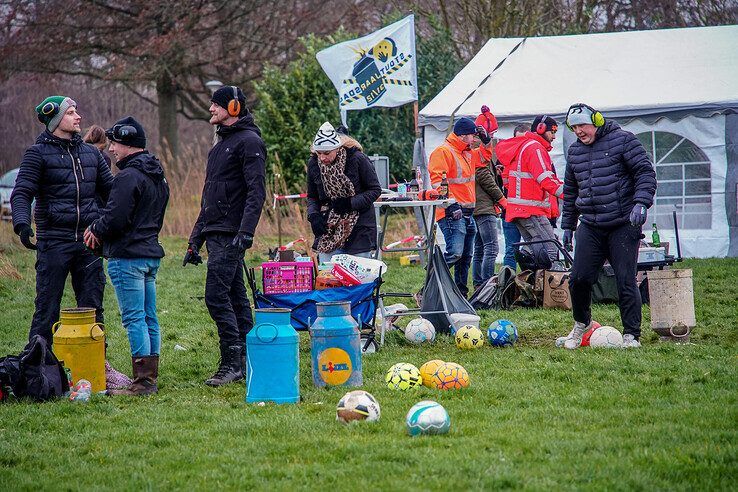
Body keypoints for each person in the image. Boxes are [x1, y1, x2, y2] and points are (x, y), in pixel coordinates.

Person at [10, 96, 123, 368]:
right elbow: (22, 193)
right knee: (47, 308)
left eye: (76, 111)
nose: (78, 117)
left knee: (93, 306)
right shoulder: (37, 154)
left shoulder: (92, 154)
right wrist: (22, 223)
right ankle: (37, 368)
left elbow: (113, 195)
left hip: (89, 243)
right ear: (56, 120)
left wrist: (114, 224)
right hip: (53, 242)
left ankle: (97, 365)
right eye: (71, 113)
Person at [184, 86, 266, 386]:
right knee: (234, 296)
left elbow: (257, 192)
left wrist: (246, 231)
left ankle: (232, 362)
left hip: (232, 233)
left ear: (233, 108)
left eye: (216, 105)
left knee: (216, 296)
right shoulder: (219, 145)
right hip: (216, 232)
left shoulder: (250, 142)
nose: (211, 110)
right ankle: (247, 359)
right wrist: (195, 240)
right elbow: (210, 196)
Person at [557, 103, 656, 349]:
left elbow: (645, 173)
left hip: (623, 223)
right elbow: (570, 192)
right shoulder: (575, 152)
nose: (579, 131)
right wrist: (568, 225)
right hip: (590, 224)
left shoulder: (624, 141)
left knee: (625, 280)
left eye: (582, 125)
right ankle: (583, 325)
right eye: (574, 127)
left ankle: (631, 335)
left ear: (597, 121)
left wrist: (641, 203)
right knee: (578, 279)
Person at [428, 117, 492, 297]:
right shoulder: (443, 152)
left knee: (465, 257)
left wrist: (487, 142)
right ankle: (426, 288)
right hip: (451, 212)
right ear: (463, 136)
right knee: (455, 253)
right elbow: (438, 182)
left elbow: (485, 157)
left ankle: (460, 295)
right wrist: (451, 203)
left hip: (466, 213)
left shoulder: (467, 153)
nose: (475, 139)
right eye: (473, 135)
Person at [307, 122, 381, 264]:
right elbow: (312, 196)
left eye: (327, 153)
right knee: (328, 277)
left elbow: (375, 190)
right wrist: (313, 215)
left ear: (337, 148)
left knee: (358, 279)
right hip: (328, 229)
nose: (322, 158)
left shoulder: (358, 159)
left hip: (360, 228)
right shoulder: (313, 163)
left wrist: (349, 203)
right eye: (319, 153)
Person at [495, 115, 563, 269]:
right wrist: (570, 193)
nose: (554, 136)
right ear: (540, 129)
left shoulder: (524, 146)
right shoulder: (535, 148)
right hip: (530, 211)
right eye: (552, 132)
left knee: (533, 251)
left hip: (520, 210)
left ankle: (529, 285)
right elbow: (545, 179)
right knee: (550, 251)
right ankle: (548, 291)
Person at [471, 106, 507, 290]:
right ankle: (487, 286)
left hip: (475, 206)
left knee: (479, 249)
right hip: (484, 207)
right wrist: (502, 200)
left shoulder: (473, 151)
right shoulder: (479, 152)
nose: (492, 137)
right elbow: (485, 178)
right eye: (491, 133)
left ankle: (478, 285)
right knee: (492, 248)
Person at [499, 124, 527, 270]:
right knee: (511, 250)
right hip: (509, 211)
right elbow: (494, 185)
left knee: (532, 251)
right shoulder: (503, 159)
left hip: (528, 212)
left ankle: (531, 284)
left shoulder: (534, 156)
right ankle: (508, 286)